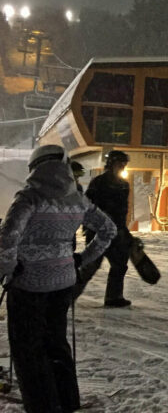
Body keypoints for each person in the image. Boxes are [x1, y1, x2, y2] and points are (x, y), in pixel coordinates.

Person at [0, 144, 116, 413]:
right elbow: (108, 229)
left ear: (35, 167)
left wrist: (7, 269)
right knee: (55, 341)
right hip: (63, 282)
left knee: (29, 348)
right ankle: (67, 400)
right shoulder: (77, 199)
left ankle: (42, 405)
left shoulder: (29, 197)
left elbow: (8, 237)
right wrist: (81, 259)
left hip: (28, 284)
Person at [76, 150, 134, 307]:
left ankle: (113, 297)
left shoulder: (123, 185)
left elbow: (123, 210)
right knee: (90, 265)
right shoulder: (99, 182)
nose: (122, 167)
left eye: (124, 164)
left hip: (116, 232)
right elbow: (88, 206)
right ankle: (68, 296)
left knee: (120, 264)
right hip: (98, 231)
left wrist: (123, 231)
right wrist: (89, 226)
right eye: (119, 163)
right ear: (111, 164)